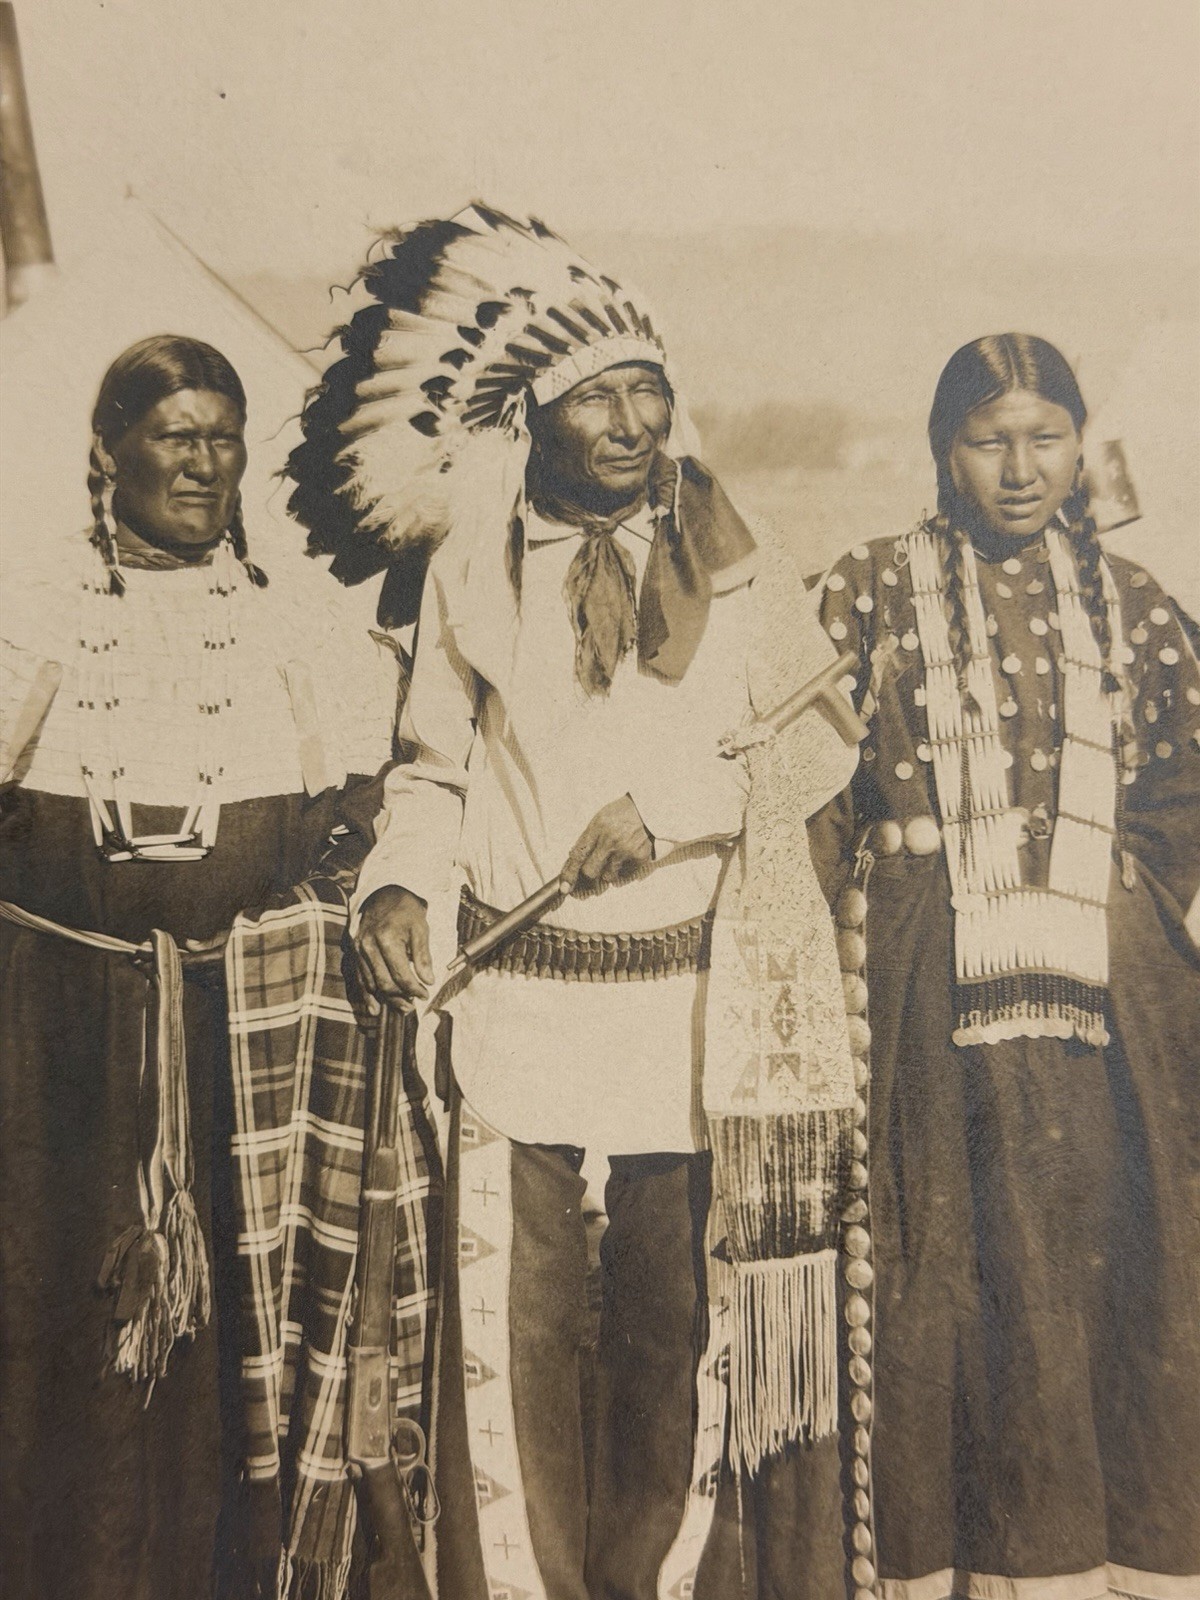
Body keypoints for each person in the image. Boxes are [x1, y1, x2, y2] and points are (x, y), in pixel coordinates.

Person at [288, 203, 856, 1600]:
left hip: (685, 1012)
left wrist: (665, 814)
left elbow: (817, 736)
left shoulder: (733, 543)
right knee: (520, 1328)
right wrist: (405, 889)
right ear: (532, 418)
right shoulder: (472, 562)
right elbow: (429, 764)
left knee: (671, 1326)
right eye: (596, 397)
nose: (631, 421)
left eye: (647, 390)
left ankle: (655, 1579)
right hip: (522, 1008)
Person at [0, 335, 392, 1600]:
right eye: (176, 434)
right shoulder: (31, 612)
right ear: (107, 454)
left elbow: (355, 822)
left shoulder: (295, 623)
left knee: (231, 1334)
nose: (205, 461)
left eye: (224, 435)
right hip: (50, 1045)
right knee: (54, 1324)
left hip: (242, 1036)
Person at [808, 334, 1200, 1599]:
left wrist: (1121, 895)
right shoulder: (868, 592)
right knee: (951, 1277)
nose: (1021, 467)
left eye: (1047, 437)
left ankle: (1127, 1565)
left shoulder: (1133, 600)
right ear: (943, 452)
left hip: (1104, 1009)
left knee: (1116, 1267)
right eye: (990, 439)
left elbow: (1185, 786)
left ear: (1082, 446)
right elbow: (811, 794)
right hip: (932, 999)